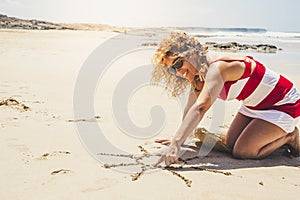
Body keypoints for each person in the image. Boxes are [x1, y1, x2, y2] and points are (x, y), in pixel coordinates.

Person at [151, 31, 300, 167]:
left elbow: (201, 107)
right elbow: (191, 106)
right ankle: (272, 133)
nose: (178, 72)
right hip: (254, 105)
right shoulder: (198, 74)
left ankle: (290, 136)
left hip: (283, 103)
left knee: (242, 151)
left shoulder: (219, 67)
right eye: (172, 68)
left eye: (178, 63)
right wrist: (178, 138)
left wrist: (176, 145)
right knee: (230, 143)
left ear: (190, 53)